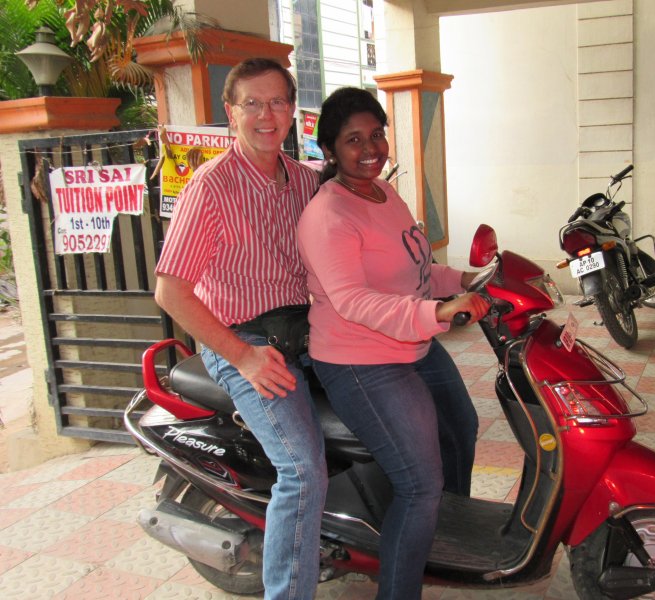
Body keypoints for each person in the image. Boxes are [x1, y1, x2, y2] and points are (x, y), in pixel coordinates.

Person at [296, 87, 490, 600]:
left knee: (461, 429)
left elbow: (419, 268)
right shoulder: (328, 215)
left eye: (377, 134)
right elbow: (353, 301)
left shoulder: (386, 194)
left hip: (411, 344)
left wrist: (468, 279)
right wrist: (436, 314)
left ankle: (438, 539)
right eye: (353, 139)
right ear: (331, 149)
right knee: (419, 485)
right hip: (361, 361)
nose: (370, 147)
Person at [154, 58, 326, 600]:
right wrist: (245, 357)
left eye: (278, 102)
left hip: (306, 330)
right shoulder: (212, 186)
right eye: (253, 103)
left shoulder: (307, 182)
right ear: (231, 113)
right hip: (243, 340)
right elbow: (171, 290)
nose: (267, 114)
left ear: (293, 112)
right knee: (301, 469)